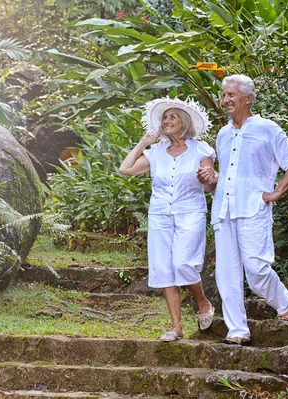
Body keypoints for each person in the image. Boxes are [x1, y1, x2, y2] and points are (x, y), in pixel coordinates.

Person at [197, 75, 288, 346]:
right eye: (224, 95)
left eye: (232, 95)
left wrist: (277, 191)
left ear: (248, 98)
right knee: (226, 275)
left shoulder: (268, 129)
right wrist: (211, 179)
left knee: (257, 270)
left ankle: (283, 300)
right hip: (224, 210)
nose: (226, 100)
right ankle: (237, 330)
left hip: (253, 208)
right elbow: (228, 175)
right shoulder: (223, 134)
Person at [119, 97, 216, 342]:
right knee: (164, 269)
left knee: (183, 264)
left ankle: (202, 302)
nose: (167, 120)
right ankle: (176, 327)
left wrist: (208, 176)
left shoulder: (201, 150)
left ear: (184, 122)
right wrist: (144, 141)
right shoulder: (156, 153)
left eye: (172, 116)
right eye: (165, 117)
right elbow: (126, 168)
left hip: (190, 212)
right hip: (160, 215)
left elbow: (211, 184)